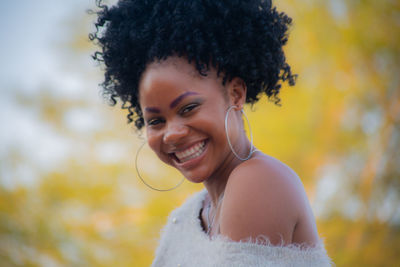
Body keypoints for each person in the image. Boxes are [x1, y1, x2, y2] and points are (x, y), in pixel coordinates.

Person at [90, 0, 332, 266]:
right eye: (156, 120)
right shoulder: (187, 216)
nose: (171, 134)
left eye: (189, 108)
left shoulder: (259, 181)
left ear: (236, 94)